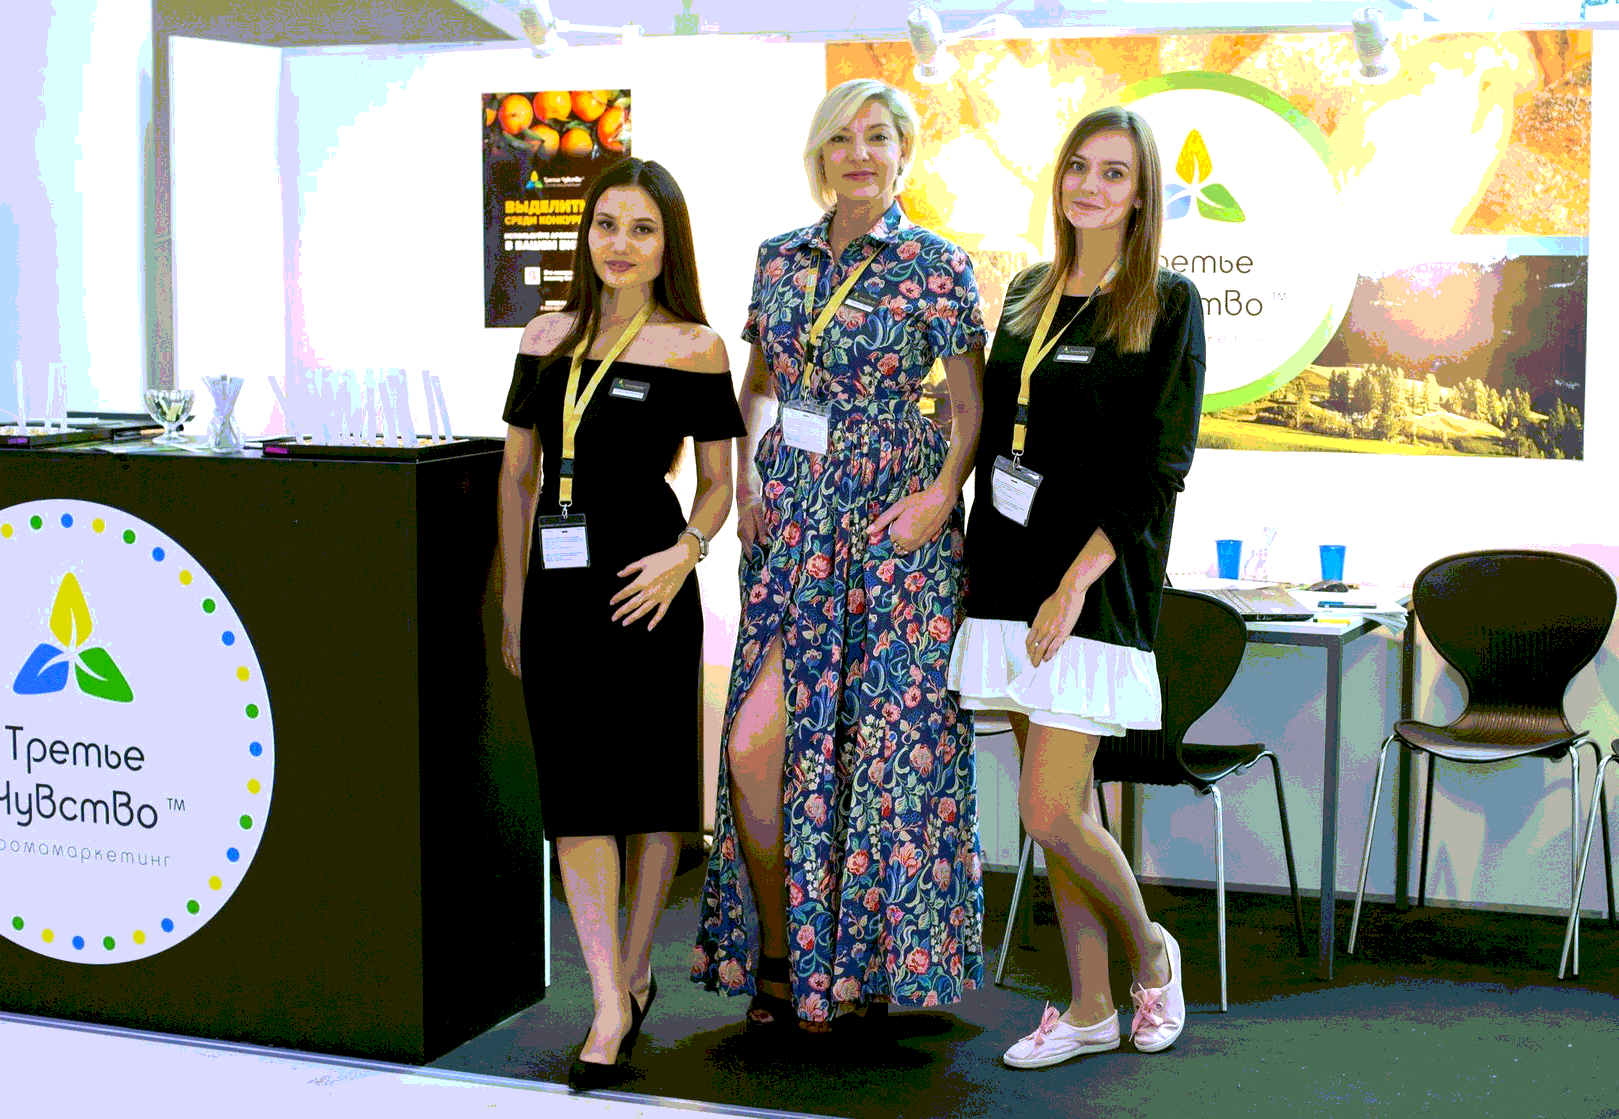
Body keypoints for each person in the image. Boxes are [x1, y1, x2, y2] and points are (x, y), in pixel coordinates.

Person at [691, 78, 987, 1032]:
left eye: (877, 137)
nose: (859, 153)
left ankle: (857, 971)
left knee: (881, 757)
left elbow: (971, 407)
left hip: (896, 530)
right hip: (792, 525)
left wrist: (940, 499)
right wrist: (745, 481)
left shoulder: (938, 264)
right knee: (757, 745)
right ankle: (784, 952)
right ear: (819, 155)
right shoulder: (777, 259)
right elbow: (755, 386)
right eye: (841, 138)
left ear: (904, 152)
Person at [948, 105, 1205, 1068]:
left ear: (1142, 194)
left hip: (1091, 585)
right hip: (1008, 574)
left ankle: (1153, 953)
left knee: (1049, 808)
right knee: (1066, 816)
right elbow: (995, 427)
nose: (1090, 186)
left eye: (1114, 172)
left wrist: (1073, 583)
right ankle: (1091, 1005)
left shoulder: (1167, 302)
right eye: (1079, 167)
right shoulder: (1026, 292)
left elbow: (1160, 467)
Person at [497, 158, 744, 1089]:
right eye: (607, 224)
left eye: (642, 228)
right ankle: (606, 998)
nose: (621, 244)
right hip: (558, 596)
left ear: (668, 243)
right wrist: (514, 603)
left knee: (649, 799)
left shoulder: (695, 348)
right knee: (578, 799)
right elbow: (518, 477)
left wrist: (686, 552)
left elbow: (718, 484)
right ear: (585, 233)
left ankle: (635, 972)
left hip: (649, 590)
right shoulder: (545, 335)